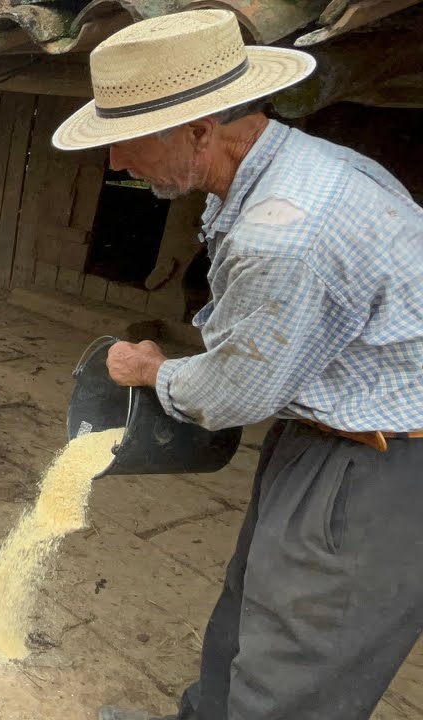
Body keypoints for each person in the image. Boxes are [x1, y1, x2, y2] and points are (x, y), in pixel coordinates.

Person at [50, 8, 423, 720]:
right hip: (327, 434)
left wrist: (154, 372)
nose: (116, 164)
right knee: (250, 610)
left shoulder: (285, 232)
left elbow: (232, 395)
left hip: (382, 468)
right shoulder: (306, 167)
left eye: (127, 143)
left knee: (299, 663)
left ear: (200, 131)